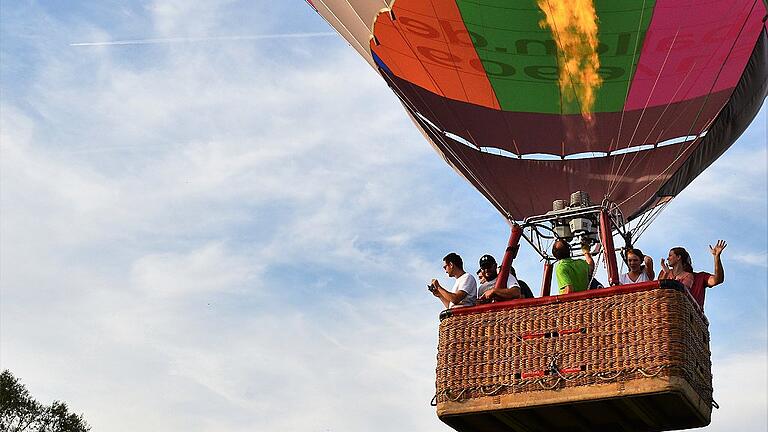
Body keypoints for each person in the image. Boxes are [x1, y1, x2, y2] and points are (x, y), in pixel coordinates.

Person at [662, 240, 727, 308]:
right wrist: (665, 274)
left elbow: (718, 279)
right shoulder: (664, 272)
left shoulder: (700, 277)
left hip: (690, 314)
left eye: (670, 255)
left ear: (678, 257)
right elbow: (657, 291)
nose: (667, 258)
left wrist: (716, 257)